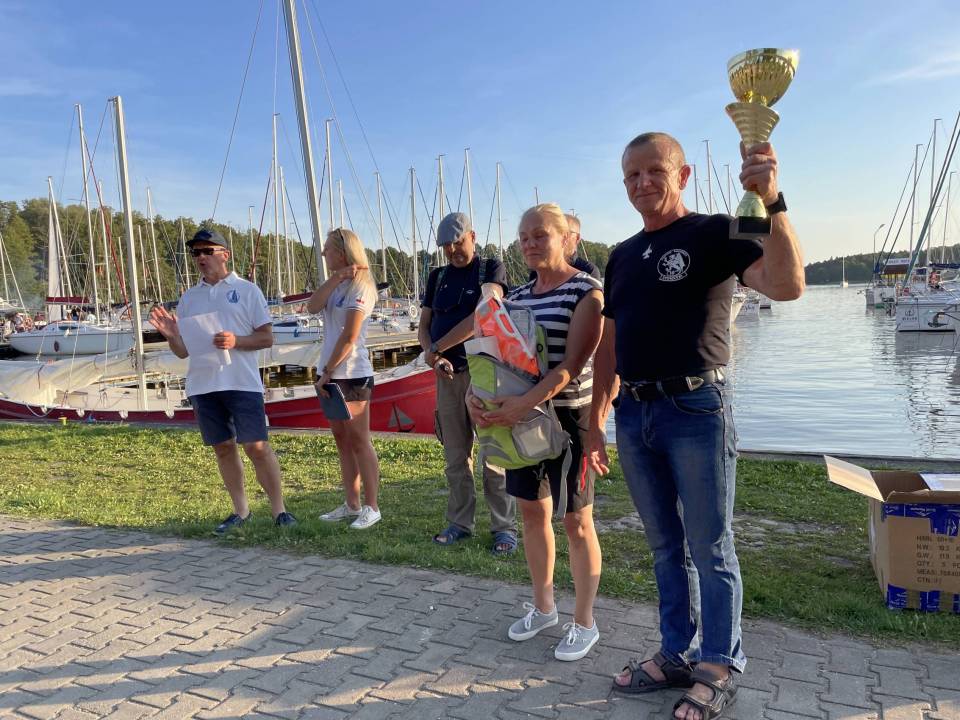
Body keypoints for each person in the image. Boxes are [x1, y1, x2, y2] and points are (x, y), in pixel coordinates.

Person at [586, 133, 803, 720]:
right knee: (664, 546)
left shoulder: (714, 232)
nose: (642, 183)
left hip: (696, 408)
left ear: (682, 176)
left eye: (654, 171)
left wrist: (773, 200)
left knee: (710, 545)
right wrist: (596, 418)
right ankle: (675, 653)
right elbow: (609, 344)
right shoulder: (622, 255)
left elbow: (786, 285)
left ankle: (718, 665)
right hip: (634, 414)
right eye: (631, 175)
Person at [469, 203, 604, 661]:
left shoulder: (586, 292)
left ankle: (584, 622)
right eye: (524, 237)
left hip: (568, 420)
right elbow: (494, 359)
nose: (529, 244)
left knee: (576, 521)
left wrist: (523, 403)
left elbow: (573, 365)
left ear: (566, 238)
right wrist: (475, 396)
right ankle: (545, 607)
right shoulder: (519, 298)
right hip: (520, 422)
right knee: (531, 513)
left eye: (540, 235)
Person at [149, 228, 297, 534]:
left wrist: (236, 341)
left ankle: (280, 510)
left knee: (256, 446)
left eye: (208, 251)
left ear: (225, 255)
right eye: (196, 253)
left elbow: (266, 338)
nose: (200, 257)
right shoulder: (189, 298)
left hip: (242, 382)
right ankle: (241, 511)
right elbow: (183, 351)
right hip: (204, 385)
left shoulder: (247, 290)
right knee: (223, 448)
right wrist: (172, 336)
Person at [419, 212, 517, 554]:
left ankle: (503, 528)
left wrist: (437, 346)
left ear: (472, 237)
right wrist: (433, 356)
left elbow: (484, 313)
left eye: (457, 242)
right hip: (448, 375)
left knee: (493, 455)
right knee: (455, 456)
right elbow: (424, 324)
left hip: (485, 373)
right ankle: (460, 523)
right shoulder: (437, 276)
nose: (452, 250)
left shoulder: (491, 269)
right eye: (446, 245)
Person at [309, 228, 382, 530]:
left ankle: (371, 506)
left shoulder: (361, 288)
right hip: (329, 373)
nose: (323, 253)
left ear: (341, 252)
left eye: (327, 248)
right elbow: (312, 306)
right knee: (341, 439)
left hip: (351, 374)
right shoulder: (338, 285)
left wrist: (327, 372)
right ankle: (351, 503)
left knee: (359, 440)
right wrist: (336, 277)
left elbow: (350, 336)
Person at [528, 213, 601, 282]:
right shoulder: (539, 272)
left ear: (577, 238)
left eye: (566, 233)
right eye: (558, 232)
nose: (561, 237)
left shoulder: (588, 270)